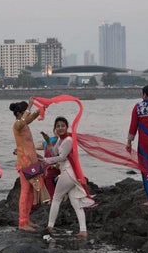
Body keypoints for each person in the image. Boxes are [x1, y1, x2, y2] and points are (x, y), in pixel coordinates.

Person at [42, 116, 89, 239]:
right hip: (69, 173)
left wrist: (45, 160)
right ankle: (83, 231)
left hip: (68, 172)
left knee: (56, 198)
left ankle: (50, 227)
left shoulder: (68, 140)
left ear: (67, 127)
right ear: (55, 129)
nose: (60, 128)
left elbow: (62, 157)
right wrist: (48, 142)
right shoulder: (60, 140)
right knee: (75, 201)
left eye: (63, 125)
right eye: (58, 126)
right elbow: (54, 153)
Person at [10, 100, 45, 232]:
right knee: (25, 191)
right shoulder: (17, 125)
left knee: (31, 191)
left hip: (31, 161)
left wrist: (41, 109)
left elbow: (29, 119)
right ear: (19, 113)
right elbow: (24, 120)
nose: (26, 114)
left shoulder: (24, 124)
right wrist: (30, 106)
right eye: (24, 111)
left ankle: (27, 219)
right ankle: (22, 222)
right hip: (24, 162)